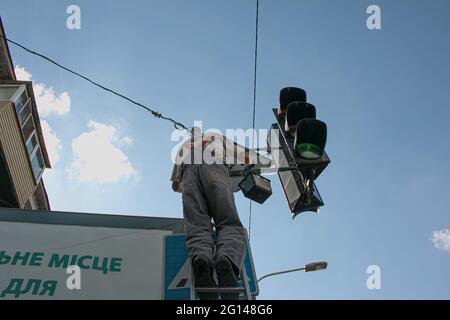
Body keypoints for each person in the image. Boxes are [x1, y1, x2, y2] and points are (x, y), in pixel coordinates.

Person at [171, 127, 250, 300]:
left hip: (188, 173)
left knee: (197, 227)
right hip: (214, 164)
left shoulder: (182, 148)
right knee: (227, 222)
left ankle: (202, 259)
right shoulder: (216, 137)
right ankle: (227, 259)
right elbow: (246, 157)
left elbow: (176, 186)